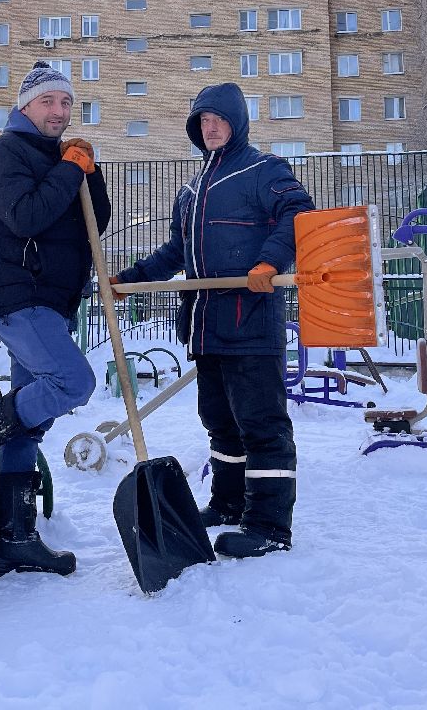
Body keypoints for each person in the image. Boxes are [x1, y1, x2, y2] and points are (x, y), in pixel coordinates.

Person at [115, 82, 313, 558]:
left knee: (261, 425)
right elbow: (176, 252)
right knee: (220, 423)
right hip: (206, 325)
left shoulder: (265, 170)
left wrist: (269, 262)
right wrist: (132, 278)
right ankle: (227, 504)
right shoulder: (192, 190)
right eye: (201, 122)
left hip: (250, 322)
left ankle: (268, 525)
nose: (208, 128)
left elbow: (298, 213)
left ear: (237, 122)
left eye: (217, 119)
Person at [0, 61, 110, 577]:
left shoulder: (55, 158)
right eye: (47, 102)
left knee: (26, 423)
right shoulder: (4, 156)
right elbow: (28, 216)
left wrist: (89, 173)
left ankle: (15, 538)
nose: (58, 112)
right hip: (20, 297)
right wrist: (69, 169)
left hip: (50, 302)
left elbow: (92, 222)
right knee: (73, 381)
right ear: (23, 106)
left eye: (65, 103)